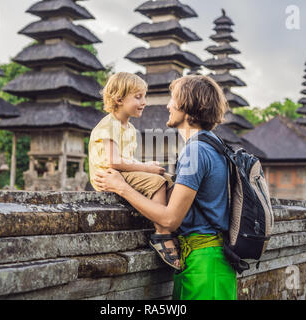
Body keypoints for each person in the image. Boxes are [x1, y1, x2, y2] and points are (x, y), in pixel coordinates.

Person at [94, 75, 237, 300]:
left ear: (188, 106)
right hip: (203, 259)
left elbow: (170, 220)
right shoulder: (213, 144)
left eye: (172, 99)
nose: (168, 105)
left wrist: (122, 187)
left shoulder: (195, 150)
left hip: (205, 264)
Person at [88, 72, 180, 270]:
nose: (144, 102)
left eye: (144, 96)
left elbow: (127, 160)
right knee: (157, 182)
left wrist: (148, 166)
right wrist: (146, 167)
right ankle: (162, 233)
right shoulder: (108, 124)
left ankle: (168, 223)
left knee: (167, 178)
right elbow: (113, 161)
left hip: (122, 173)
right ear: (119, 99)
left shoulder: (128, 128)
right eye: (138, 97)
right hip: (109, 176)